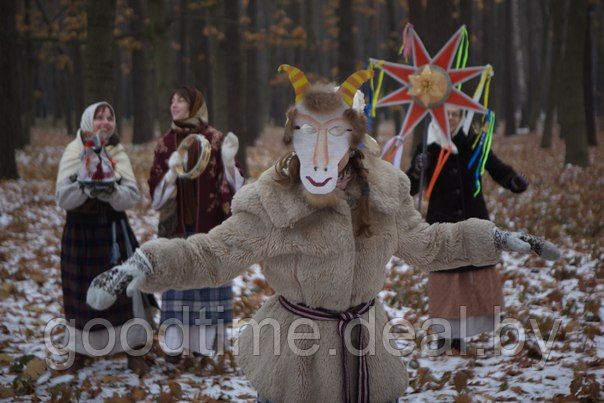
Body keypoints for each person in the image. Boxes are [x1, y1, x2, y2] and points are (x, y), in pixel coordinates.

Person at [87, 66, 558, 402]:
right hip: (295, 360)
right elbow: (212, 253)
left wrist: (492, 238)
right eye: (309, 135)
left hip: (367, 358)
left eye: (333, 135)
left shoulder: (385, 191)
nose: (320, 149)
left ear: (353, 139)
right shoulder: (273, 199)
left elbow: (430, 244)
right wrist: (147, 263)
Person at [407, 108, 528, 352]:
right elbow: (410, 185)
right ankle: (445, 335)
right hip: (442, 224)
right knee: (445, 280)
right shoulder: (427, 145)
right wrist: (418, 169)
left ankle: (468, 331)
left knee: (474, 277)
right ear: (436, 116)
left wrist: (512, 180)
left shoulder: (473, 142)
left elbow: (495, 167)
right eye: (445, 114)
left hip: (474, 221)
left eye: (455, 114)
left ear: (462, 117)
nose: (450, 118)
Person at [56, 102, 154, 375]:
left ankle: (134, 350)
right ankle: (79, 350)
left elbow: (132, 197)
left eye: (109, 117)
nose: (105, 122)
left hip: (113, 234)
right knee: (79, 294)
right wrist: (84, 186)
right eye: (99, 117)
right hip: (80, 234)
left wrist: (111, 191)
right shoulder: (73, 151)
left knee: (122, 290)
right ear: (88, 121)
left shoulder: (117, 153)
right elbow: (61, 197)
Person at [147, 86, 243, 364]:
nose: (175, 105)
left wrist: (228, 162)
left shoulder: (214, 139)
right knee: (178, 288)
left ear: (195, 105)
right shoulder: (166, 143)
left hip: (209, 228)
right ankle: (174, 349)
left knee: (206, 290)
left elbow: (235, 189)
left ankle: (203, 349)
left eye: (181, 100)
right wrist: (170, 172)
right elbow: (155, 198)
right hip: (177, 230)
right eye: (172, 99)